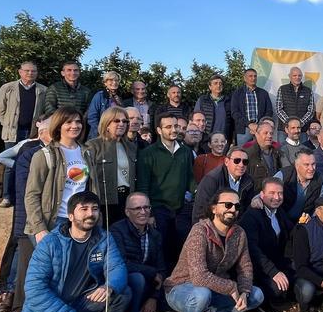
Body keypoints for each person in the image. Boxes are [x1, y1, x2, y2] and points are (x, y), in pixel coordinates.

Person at [18, 191, 130, 312]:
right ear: (70, 216)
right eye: (83, 209)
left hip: (82, 301)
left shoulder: (103, 238)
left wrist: (109, 286)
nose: (90, 214)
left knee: (121, 293)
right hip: (47, 310)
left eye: (94, 209)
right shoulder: (50, 243)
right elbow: (34, 289)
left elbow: (116, 267)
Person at [165, 188, 263, 312]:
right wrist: (231, 287)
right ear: (213, 208)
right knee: (202, 294)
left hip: (213, 288)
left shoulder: (239, 233)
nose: (232, 209)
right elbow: (198, 276)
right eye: (227, 204)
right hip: (181, 288)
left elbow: (245, 267)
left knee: (256, 295)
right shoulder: (200, 231)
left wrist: (245, 292)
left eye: (236, 206)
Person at [0, 118, 52, 312]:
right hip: (28, 209)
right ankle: (12, 293)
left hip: (36, 209)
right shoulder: (29, 149)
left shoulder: (59, 151)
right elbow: (2, 157)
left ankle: (16, 293)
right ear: (42, 131)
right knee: (21, 249)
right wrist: (16, 166)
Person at [25, 107, 92, 245]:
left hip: (80, 220)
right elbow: (31, 195)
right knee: (55, 266)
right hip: (54, 222)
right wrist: (39, 228)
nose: (74, 126)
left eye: (78, 122)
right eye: (68, 122)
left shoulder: (88, 153)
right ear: (58, 125)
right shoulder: (44, 155)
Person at [136, 112, 194, 272]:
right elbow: (143, 186)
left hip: (181, 209)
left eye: (175, 126)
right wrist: (149, 214)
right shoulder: (148, 153)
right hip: (158, 209)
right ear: (159, 130)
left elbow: (190, 179)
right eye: (168, 127)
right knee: (159, 252)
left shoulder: (185, 152)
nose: (173, 130)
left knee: (180, 250)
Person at [109, 192, 165, 312]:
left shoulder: (154, 235)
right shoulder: (117, 230)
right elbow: (121, 264)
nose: (143, 212)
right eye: (137, 208)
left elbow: (161, 269)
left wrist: (153, 298)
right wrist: (151, 272)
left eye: (147, 207)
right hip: (122, 283)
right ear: (127, 212)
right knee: (137, 279)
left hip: (148, 285)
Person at [239, 178, 294, 312]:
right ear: (262, 195)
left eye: (280, 193)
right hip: (253, 268)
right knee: (277, 287)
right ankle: (251, 308)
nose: (277, 197)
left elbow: (291, 232)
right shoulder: (252, 216)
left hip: (272, 261)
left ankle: (267, 302)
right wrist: (273, 272)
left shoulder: (278, 212)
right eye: (272, 193)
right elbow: (252, 250)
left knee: (293, 275)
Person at [0, 61, 47, 207]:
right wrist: (8, 124)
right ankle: (7, 196)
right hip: (12, 132)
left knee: (31, 163)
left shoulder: (42, 90)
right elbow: (0, 110)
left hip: (32, 133)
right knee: (9, 163)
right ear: (20, 71)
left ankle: (25, 196)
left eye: (33, 71)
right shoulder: (8, 88)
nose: (30, 73)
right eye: (27, 71)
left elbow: (44, 112)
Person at [85, 107, 137, 225]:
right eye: (116, 121)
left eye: (125, 121)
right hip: (105, 202)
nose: (121, 124)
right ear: (106, 124)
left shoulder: (131, 147)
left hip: (127, 200)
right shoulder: (93, 146)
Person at [193, 147, 255, 224]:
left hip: (237, 226)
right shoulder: (211, 180)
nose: (241, 165)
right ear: (226, 161)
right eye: (237, 161)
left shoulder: (249, 181)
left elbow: (247, 209)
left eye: (245, 162)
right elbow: (201, 211)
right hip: (214, 227)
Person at [275, 149, 323, 223]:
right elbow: (268, 192)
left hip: (306, 223)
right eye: (306, 165)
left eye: (313, 164)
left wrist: (312, 219)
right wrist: (257, 198)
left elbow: (319, 205)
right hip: (282, 221)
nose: (311, 168)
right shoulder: (283, 175)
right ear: (297, 165)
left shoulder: (321, 179)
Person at [231, 68, 274, 146]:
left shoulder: (263, 93)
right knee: (243, 153)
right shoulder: (237, 93)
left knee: (261, 153)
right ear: (245, 78)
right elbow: (234, 112)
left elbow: (269, 111)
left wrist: (261, 124)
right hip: (244, 129)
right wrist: (249, 124)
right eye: (250, 76)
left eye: (255, 76)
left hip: (261, 129)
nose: (253, 78)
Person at [275, 66, 315, 141]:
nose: (297, 77)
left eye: (299, 75)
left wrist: (300, 124)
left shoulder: (308, 91)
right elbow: (278, 109)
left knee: (303, 152)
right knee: (282, 152)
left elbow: (311, 111)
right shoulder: (282, 89)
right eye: (294, 75)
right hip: (284, 130)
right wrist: (289, 123)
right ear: (290, 76)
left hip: (302, 130)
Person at [194, 74, 233, 142]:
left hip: (224, 139)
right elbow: (196, 119)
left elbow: (233, 121)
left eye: (220, 83)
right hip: (206, 138)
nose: (218, 85)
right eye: (215, 83)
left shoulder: (228, 101)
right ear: (210, 87)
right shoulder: (202, 100)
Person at [86, 71, 124, 139]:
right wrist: (101, 131)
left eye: (116, 80)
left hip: (116, 134)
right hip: (99, 135)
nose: (114, 82)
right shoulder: (99, 96)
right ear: (105, 82)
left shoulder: (120, 97)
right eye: (111, 80)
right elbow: (92, 117)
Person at [244, 121, 282, 190]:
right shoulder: (248, 154)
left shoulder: (277, 152)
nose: (269, 136)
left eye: (271, 133)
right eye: (265, 133)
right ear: (257, 134)